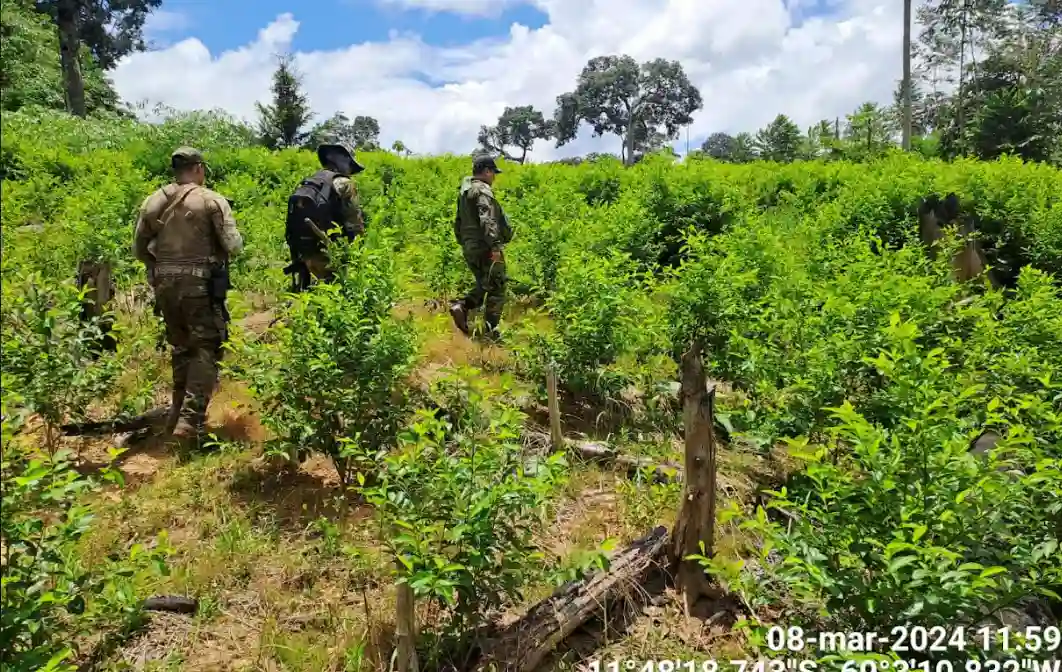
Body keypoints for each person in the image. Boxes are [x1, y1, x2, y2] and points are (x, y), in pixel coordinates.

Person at [133, 147, 243, 446]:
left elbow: (139, 249)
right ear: (198, 168)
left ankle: (176, 414)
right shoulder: (211, 200)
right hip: (199, 286)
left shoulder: (154, 200)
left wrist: (163, 267)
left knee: (181, 347)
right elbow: (233, 245)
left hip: (164, 287)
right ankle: (190, 422)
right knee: (207, 347)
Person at [283, 141, 366, 291]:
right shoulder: (344, 184)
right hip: (329, 250)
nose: (350, 170)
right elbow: (354, 223)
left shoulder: (309, 181)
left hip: (304, 251)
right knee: (336, 293)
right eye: (350, 164)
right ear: (342, 161)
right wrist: (357, 253)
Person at [449, 154, 513, 341]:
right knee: (497, 285)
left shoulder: (465, 192)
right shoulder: (482, 191)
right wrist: (495, 246)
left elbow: (458, 222)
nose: (494, 177)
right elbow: (488, 219)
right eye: (493, 173)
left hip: (470, 246)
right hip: (485, 246)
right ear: (486, 171)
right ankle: (490, 331)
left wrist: (465, 243)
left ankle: (462, 307)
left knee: (485, 283)